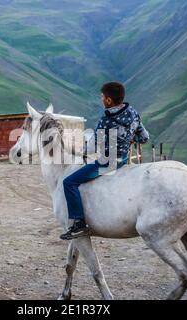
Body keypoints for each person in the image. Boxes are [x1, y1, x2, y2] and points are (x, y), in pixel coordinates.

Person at [60, 82, 149, 240]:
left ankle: (79, 224)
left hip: (107, 164)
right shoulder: (133, 112)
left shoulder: (106, 119)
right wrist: (129, 138)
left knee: (69, 182)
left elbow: (93, 147)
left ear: (108, 100)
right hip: (123, 160)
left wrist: (79, 152)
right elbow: (144, 138)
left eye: (102, 97)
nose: (101, 99)